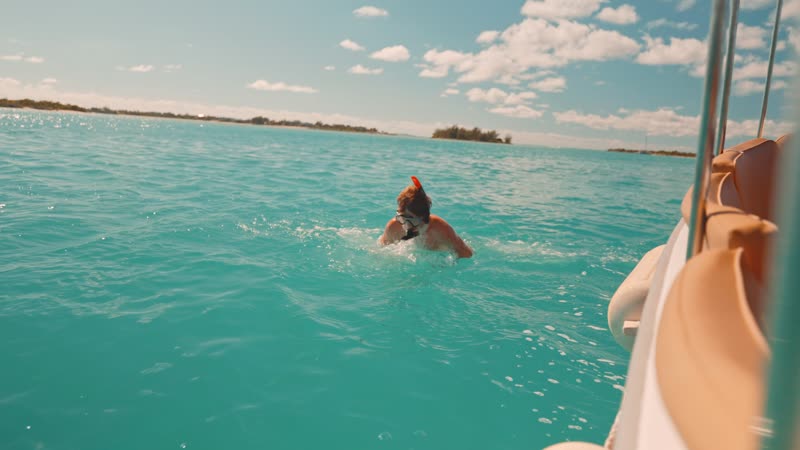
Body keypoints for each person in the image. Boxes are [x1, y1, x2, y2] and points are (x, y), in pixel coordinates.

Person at [379, 176, 473, 258]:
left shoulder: (441, 230)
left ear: (424, 218)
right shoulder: (394, 227)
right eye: (402, 218)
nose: (407, 225)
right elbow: (382, 250)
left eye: (412, 220)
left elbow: (467, 254)